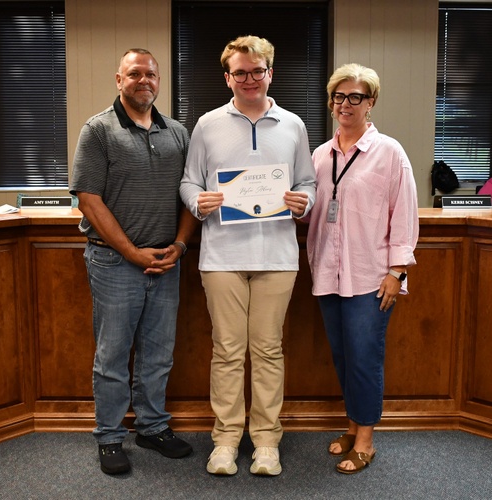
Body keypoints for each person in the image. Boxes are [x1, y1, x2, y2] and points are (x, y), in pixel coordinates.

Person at [180, 35, 316, 476]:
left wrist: (304, 202)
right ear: (228, 78)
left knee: (268, 350)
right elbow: (189, 181)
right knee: (227, 351)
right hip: (222, 256)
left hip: (277, 256)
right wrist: (196, 200)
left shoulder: (293, 125)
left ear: (270, 73)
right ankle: (224, 441)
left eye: (258, 71)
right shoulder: (207, 124)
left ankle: (266, 442)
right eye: (240, 72)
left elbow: (308, 183)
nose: (250, 79)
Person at [70, 48, 196, 475]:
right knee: (113, 355)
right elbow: (88, 199)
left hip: (166, 261)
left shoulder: (177, 132)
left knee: (158, 353)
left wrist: (179, 246)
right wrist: (130, 251)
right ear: (119, 79)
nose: (144, 80)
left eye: (151, 74)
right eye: (134, 74)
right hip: (114, 264)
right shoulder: (99, 130)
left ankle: (152, 426)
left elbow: (189, 195)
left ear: (159, 81)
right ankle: (109, 437)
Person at [305, 63, 419, 474]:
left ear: (370, 102)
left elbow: (404, 216)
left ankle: (366, 441)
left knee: (365, 357)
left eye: (356, 97)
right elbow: (312, 214)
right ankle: (353, 428)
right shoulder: (320, 155)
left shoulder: (390, 152)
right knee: (342, 357)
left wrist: (397, 272)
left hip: (371, 276)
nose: (345, 104)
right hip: (328, 273)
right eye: (339, 96)